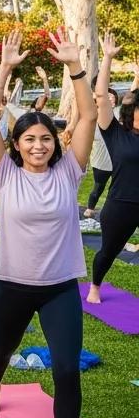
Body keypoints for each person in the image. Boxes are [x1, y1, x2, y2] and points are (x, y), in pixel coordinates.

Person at [0, 29, 96, 418]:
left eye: (45, 139)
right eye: (29, 139)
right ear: (18, 145)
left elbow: (86, 115)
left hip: (60, 286)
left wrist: (76, 67)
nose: (38, 146)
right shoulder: (4, 175)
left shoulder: (70, 171)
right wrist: (5, 67)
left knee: (66, 368)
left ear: (55, 142)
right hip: (12, 284)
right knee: (1, 350)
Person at [89, 35, 139, 304]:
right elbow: (101, 97)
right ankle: (95, 286)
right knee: (109, 251)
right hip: (121, 203)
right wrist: (107, 58)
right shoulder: (116, 133)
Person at [84, 87, 118, 218]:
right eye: (107, 97)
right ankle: (90, 208)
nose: (110, 99)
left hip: (118, 159)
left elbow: (130, 98)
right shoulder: (95, 114)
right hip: (101, 159)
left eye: (112, 97)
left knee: (117, 188)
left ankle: (111, 210)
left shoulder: (119, 113)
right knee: (99, 186)